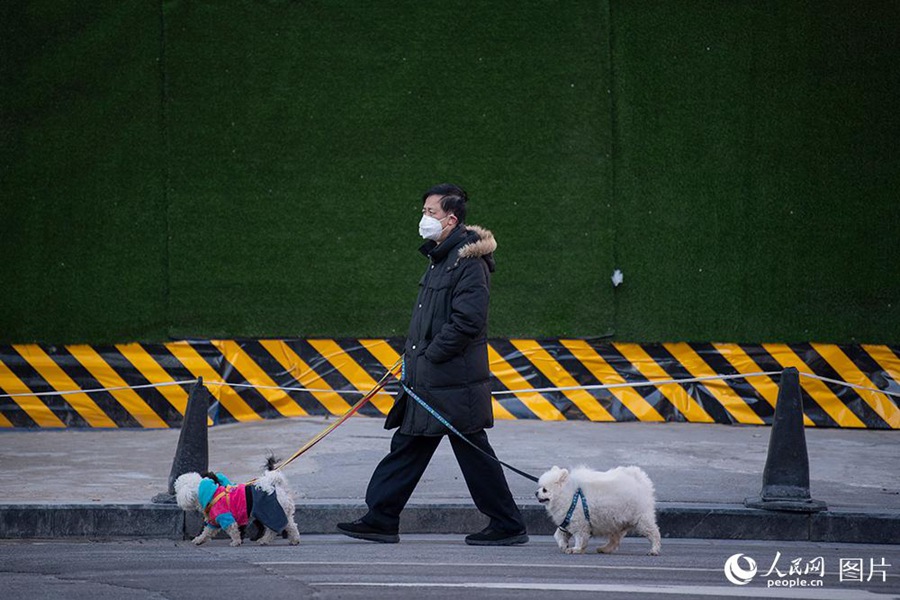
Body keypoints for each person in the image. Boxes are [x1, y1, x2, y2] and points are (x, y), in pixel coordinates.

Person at [337, 183, 528, 546]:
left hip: (451, 381)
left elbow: (468, 321)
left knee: (472, 453)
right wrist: (416, 358)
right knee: (409, 446)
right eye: (424, 211)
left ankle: (507, 523)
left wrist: (429, 355)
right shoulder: (441, 259)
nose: (424, 218)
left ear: (451, 219)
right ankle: (381, 518)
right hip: (432, 379)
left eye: (431, 212)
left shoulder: (467, 264)